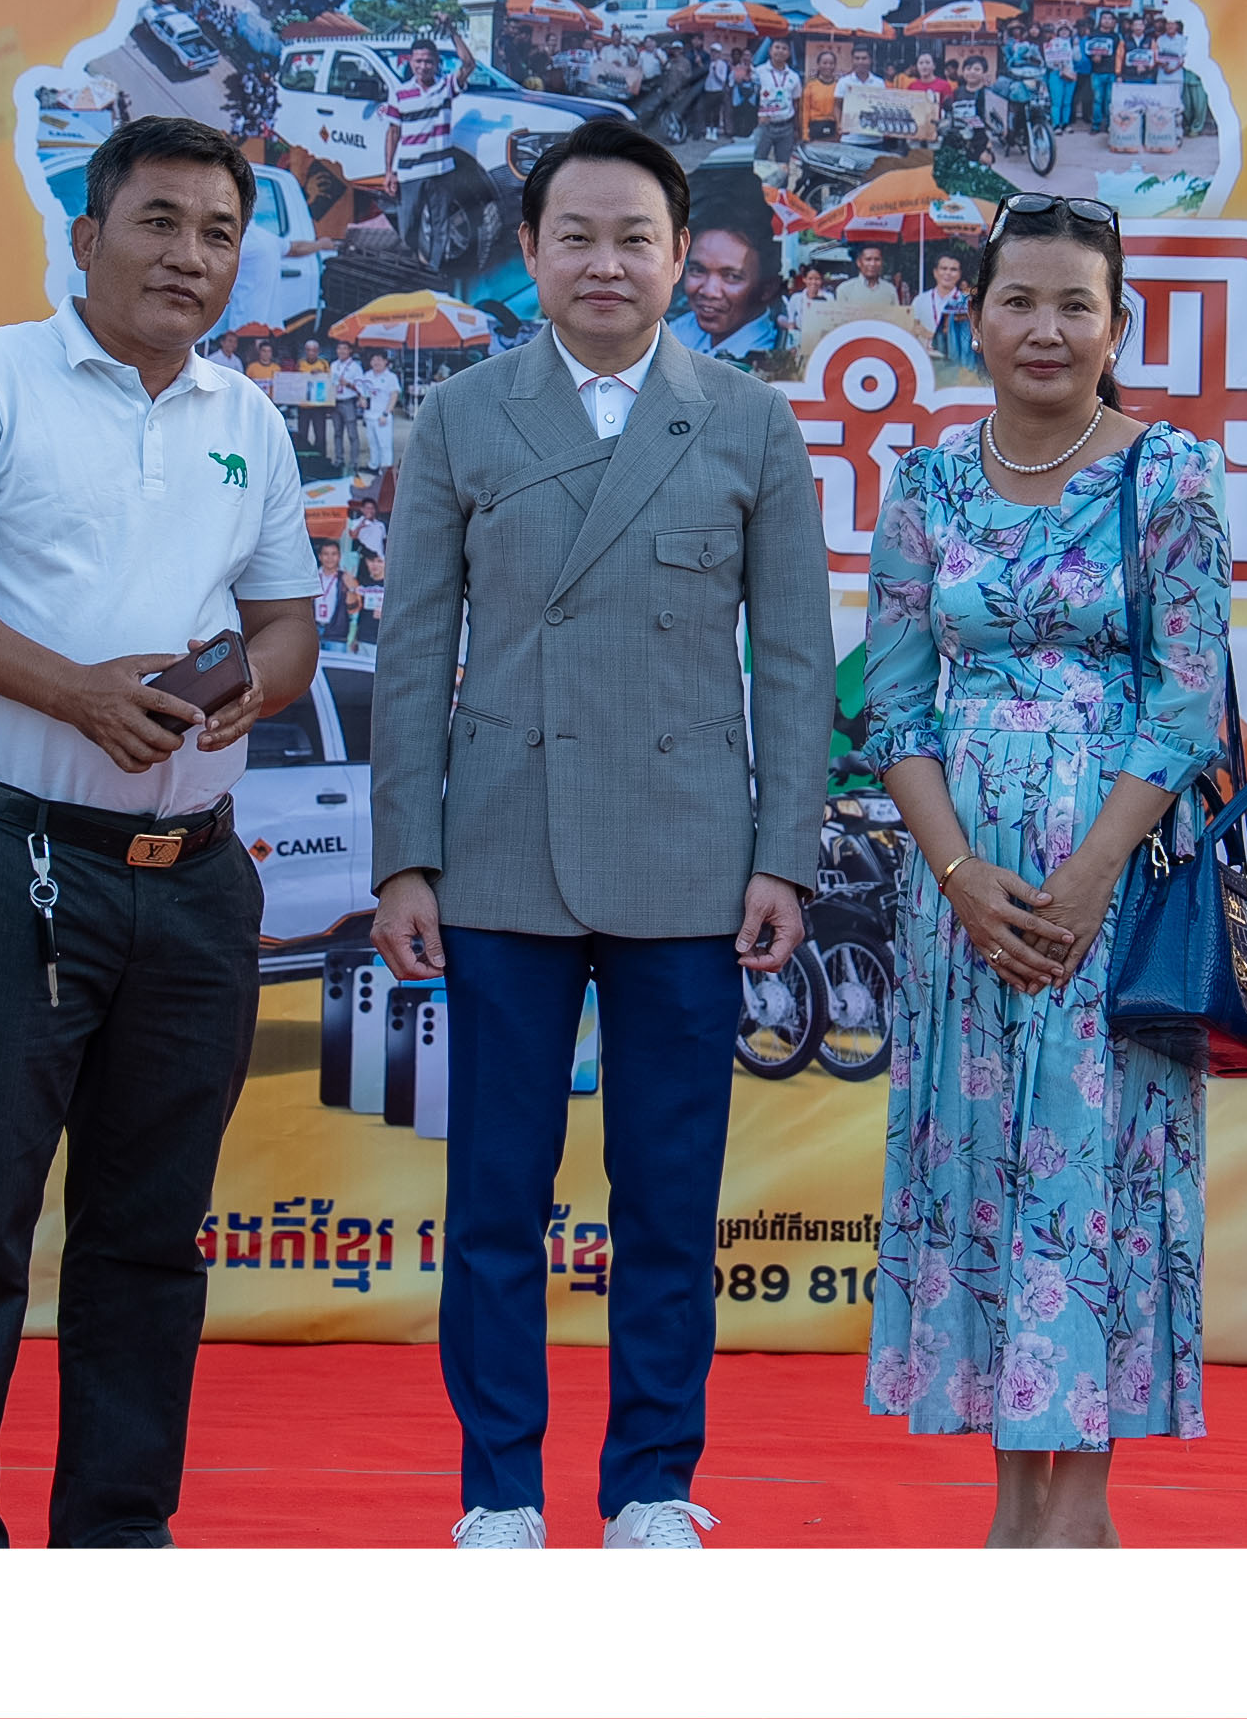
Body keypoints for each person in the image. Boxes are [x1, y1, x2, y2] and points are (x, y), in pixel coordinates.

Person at [369, 117, 835, 1551]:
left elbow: (796, 658)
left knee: (669, 1201)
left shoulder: (749, 419)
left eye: (636, 237)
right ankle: (499, 1489)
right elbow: (412, 648)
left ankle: (651, 1483)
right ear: (530, 250)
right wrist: (405, 855)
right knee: (495, 1197)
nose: (606, 263)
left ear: (683, 255)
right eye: (575, 235)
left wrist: (785, 850)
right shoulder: (465, 415)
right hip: (502, 852)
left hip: (689, 860)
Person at [0, 113, 322, 1548]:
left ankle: (115, 1547)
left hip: (193, 884)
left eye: (218, 233)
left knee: (149, 1237)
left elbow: (290, 625)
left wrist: (248, 687)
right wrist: (77, 694)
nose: (190, 256)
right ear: (87, 235)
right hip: (9, 861)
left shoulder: (247, 418)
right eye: (160, 221)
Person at [860, 192, 1227, 1546]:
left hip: (1111, 893)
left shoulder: (1169, 477)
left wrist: (1088, 878)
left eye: (1078, 304)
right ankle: (1016, 1507)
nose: (1046, 328)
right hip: (961, 902)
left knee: (1094, 1176)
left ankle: (1078, 1513)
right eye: (1019, 299)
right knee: (985, 1173)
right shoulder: (926, 484)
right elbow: (894, 708)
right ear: (974, 316)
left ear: (1118, 325)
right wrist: (959, 872)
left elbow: (1187, 706)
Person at [672, 176, 785, 364]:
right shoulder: (684, 329)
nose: (709, 291)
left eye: (732, 276)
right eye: (698, 270)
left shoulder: (765, 356)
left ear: (767, 289)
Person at [387, 31, 475, 260]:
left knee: (440, 226)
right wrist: (389, 171)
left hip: (441, 170)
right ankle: (411, 268)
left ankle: (434, 270)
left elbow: (468, 63)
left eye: (428, 61)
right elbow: (393, 132)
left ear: (436, 63)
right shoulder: (399, 93)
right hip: (410, 172)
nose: (423, 66)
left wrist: (452, 31)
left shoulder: (445, 86)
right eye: (418, 61)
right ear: (410, 61)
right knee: (408, 227)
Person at [913, 248, 975, 370]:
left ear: (959, 274)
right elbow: (913, 330)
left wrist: (930, 335)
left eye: (953, 269)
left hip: (957, 366)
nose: (948, 273)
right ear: (935, 272)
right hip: (925, 363)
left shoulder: (967, 303)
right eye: (944, 268)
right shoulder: (920, 301)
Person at [751, 47, 803, 171]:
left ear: (789, 53)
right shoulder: (758, 72)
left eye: (784, 49)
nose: (780, 51)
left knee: (783, 166)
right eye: (777, 48)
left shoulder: (794, 76)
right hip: (764, 126)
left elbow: (796, 103)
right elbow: (751, 96)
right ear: (770, 51)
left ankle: (781, 184)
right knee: (759, 163)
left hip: (786, 126)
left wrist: (797, 128)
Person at [356, 348, 402, 472]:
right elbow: (362, 394)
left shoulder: (391, 377)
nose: (376, 362)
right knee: (373, 444)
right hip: (369, 416)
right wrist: (362, 400)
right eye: (373, 360)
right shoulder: (367, 375)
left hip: (382, 417)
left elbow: (394, 396)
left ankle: (385, 471)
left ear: (385, 361)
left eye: (379, 360)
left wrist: (386, 414)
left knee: (384, 445)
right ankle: (373, 466)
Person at [313, 536, 355, 647]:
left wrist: (350, 588)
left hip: (337, 634)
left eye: (334, 554)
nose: (330, 558)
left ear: (339, 556)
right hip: (313, 632)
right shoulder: (313, 578)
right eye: (326, 554)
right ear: (319, 556)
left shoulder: (345, 578)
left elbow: (353, 609)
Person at [1041, 25, 1079, 129]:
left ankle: (1066, 123)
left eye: (1066, 30)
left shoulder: (1073, 42)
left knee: (1067, 101)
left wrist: (1076, 46)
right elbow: (1048, 61)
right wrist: (1054, 63)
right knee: (1056, 101)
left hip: (1070, 72)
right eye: (1061, 30)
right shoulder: (1052, 43)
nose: (1064, 32)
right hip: (1056, 73)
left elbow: (1078, 58)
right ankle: (1056, 124)